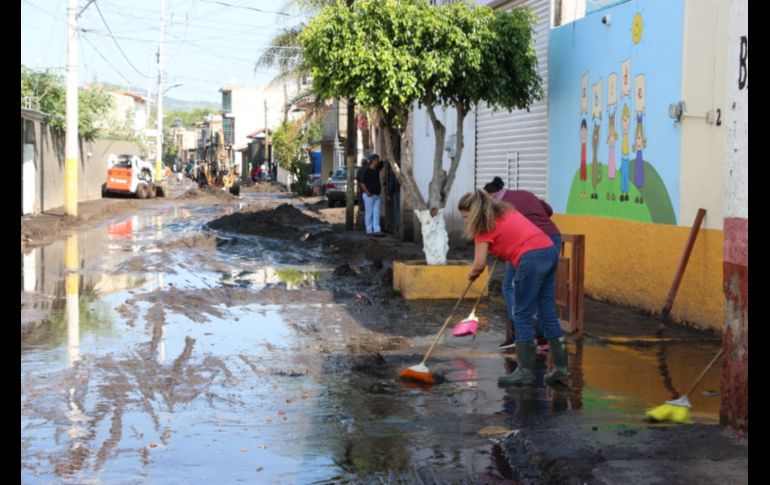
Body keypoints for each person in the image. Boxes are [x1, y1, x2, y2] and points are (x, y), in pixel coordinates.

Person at [458, 189, 570, 387]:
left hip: (530, 258)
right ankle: (562, 370)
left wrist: (471, 275)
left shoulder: (482, 228)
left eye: (466, 217)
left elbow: (479, 264)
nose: (466, 221)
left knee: (522, 313)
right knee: (547, 312)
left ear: (474, 212)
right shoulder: (508, 212)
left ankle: (525, 372)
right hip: (549, 251)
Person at [483, 177, 562, 352]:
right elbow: (548, 210)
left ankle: (521, 332)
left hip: (530, 246)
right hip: (553, 240)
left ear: (491, 195)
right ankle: (543, 338)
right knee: (543, 296)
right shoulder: (525, 193)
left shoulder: (500, 205)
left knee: (510, 287)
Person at [360, 153, 384, 236]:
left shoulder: (376, 169)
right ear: (373, 161)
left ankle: (377, 230)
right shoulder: (366, 170)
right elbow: (362, 183)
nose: (378, 162)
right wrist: (367, 192)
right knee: (369, 213)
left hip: (376, 195)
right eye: (377, 160)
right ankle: (369, 230)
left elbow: (383, 161)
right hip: (369, 195)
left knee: (376, 213)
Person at [387, 160, 401, 235]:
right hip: (399, 191)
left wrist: (389, 193)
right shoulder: (400, 170)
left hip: (396, 192)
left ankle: (397, 230)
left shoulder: (394, 171)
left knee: (397, 211)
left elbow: (392, 183)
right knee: (398, 211)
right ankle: (397, 229)